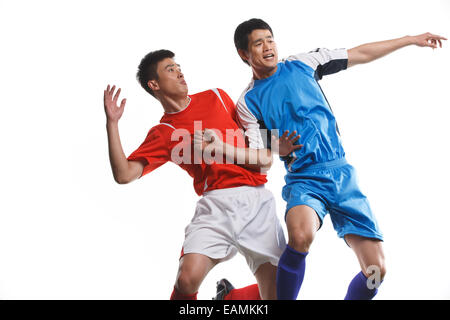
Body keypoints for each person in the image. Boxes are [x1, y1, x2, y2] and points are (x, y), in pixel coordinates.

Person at [232, 18, 446, 300]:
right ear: (244, 54)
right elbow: (258, 152)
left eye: (270, 39)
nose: (268, 47)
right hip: (305, 180)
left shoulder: (302, 64)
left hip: (342, 175)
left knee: (376, 272)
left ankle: (232, 297)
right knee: (299, 237)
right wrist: (276, 147)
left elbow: (359, 53)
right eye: (258, 43)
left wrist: (409, 39)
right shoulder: (248, 102)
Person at [103, 49, 301, 300]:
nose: (179, 72)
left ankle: (230, 299)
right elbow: (124, 174)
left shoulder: (216, 96)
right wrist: (112, 124)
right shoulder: (164, 132)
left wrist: (273, 145)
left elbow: (249, 131)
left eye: (178, 66)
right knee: (186, 280)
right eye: (170, 69)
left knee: (281, 293)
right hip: (215, 205)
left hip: (256, 201)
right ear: (154, 84)